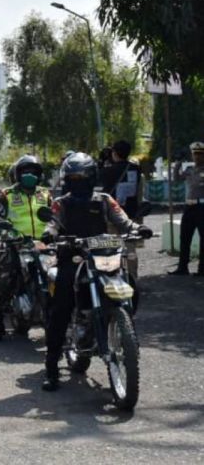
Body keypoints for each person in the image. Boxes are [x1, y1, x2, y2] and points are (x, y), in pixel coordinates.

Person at [40, 153, 152, 391]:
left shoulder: (104, 199)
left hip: (102, 255)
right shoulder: (62, 202)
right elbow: (53, 222)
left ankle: (125, 330)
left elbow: (123, 219)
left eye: (82, 177)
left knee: (129, 282)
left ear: (91, 177)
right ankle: (51, 368)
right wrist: (50, 233)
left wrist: (137, 227)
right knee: (61, 308)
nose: (77, 181)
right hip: (72, 256)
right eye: (73, 178)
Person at [0, 155, 51, 342]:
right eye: (25, 172)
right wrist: (13, 237)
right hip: (17, 246)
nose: (29, 175)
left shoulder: (46, 194)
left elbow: (56, 218)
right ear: (18, 174)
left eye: (33, 172)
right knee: (2, 282)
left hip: (44, 245)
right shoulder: (7, 194)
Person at [171, 141, 204, 276]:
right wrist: (178, 162)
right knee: (184, 237)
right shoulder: (190, 169)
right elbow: (176, 178)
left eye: (200, 154)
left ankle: (202, 269)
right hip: (189, 206)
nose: (197, 157)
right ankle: (182, 267)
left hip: (202, 207)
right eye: (195, 154)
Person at [99, 140, 142, 220]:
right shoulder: (136, 168)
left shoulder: (108, 171)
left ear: (114, 153)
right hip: (131, 211)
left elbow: (100, 180)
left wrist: (101, 162)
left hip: (114, 212)